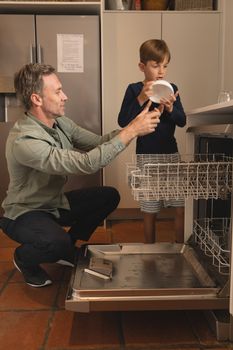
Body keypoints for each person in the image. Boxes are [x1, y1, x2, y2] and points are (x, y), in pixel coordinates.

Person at [0, 63, 160, 288]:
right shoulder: (24, 141)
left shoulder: (60, 123)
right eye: (57, 91)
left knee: (108, 196)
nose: (65, 96)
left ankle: (67, 246)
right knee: (56, 243)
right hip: (25, 213)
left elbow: (98, 143)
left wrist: (133, 125)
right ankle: (25, 258)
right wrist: (132, 131)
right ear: (36, 99)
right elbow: (86, 164)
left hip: (54, 204)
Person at [118, 39, 186, 244]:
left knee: (179, 205)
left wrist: (172, 109)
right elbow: (123, 121)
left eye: (165, 65)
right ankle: (149, 249)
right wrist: (140, 97)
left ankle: (180, 247)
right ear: (142, 66)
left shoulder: (172, 88)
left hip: (171, 155)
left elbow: (182, 121)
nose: (161, 71)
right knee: (149, 208)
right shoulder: (133, 89)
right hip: (146, 157)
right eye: (156, 65)